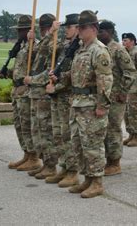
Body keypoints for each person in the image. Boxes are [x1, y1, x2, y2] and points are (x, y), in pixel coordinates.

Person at [51, 10, 113, 198]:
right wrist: (60, 76)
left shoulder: (98, 50)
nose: (79, 31)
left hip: (92, 105)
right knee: (78, 144)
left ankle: (97, 182)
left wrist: (102, 106)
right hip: (77, 103)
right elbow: (75, 75)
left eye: (82, 28)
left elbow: (105, 80)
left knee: (93, 145)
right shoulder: (80, 49)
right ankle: (87, 178)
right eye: (78, 27)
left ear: (93, 28)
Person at [0, 14, 41, 171]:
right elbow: (20, 70)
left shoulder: (34, 45)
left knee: (27, 124)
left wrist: (31, 40)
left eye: (22, 30)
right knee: (19, 124)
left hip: (26, 91)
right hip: (17, 91)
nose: (19, 33)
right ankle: (26, 154)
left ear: (29, 30)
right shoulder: (20, 46)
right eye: (18, 30)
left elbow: (38, 61)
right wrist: (7, 73)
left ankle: (34, 157)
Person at [44, 14, 81, 187]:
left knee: (68, 136)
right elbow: (48, 50)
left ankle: (73, 171)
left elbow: (75, 74)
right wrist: (52, 32)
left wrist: (56, 86)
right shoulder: (66, 45)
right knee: (58, 135)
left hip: (67, 96)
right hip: (58, 96)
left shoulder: (80, 47)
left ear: (77, 28)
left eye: (69, 27)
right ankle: (64, 167)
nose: (66, 30)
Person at [98, 20, 136, 176]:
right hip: (103, 97)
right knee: (103, 129)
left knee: (113, 129)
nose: (99, 34)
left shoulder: (118, 49)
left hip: (115, 97)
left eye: (101, 31)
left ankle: (114, 162)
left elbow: (130, 72)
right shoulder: (100, 49)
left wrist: (123, 91)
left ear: (109, 32)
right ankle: (106, 160)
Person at [24, 13, 58, 179]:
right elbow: (36, 52)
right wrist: (30, 40)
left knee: (45, 131)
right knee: (37, 130)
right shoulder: (45, 41)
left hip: (44, 92)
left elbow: (50, 70)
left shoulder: (55, 42)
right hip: (35, 93)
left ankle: (51, 165)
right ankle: (45, 162)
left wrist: (33, 79)